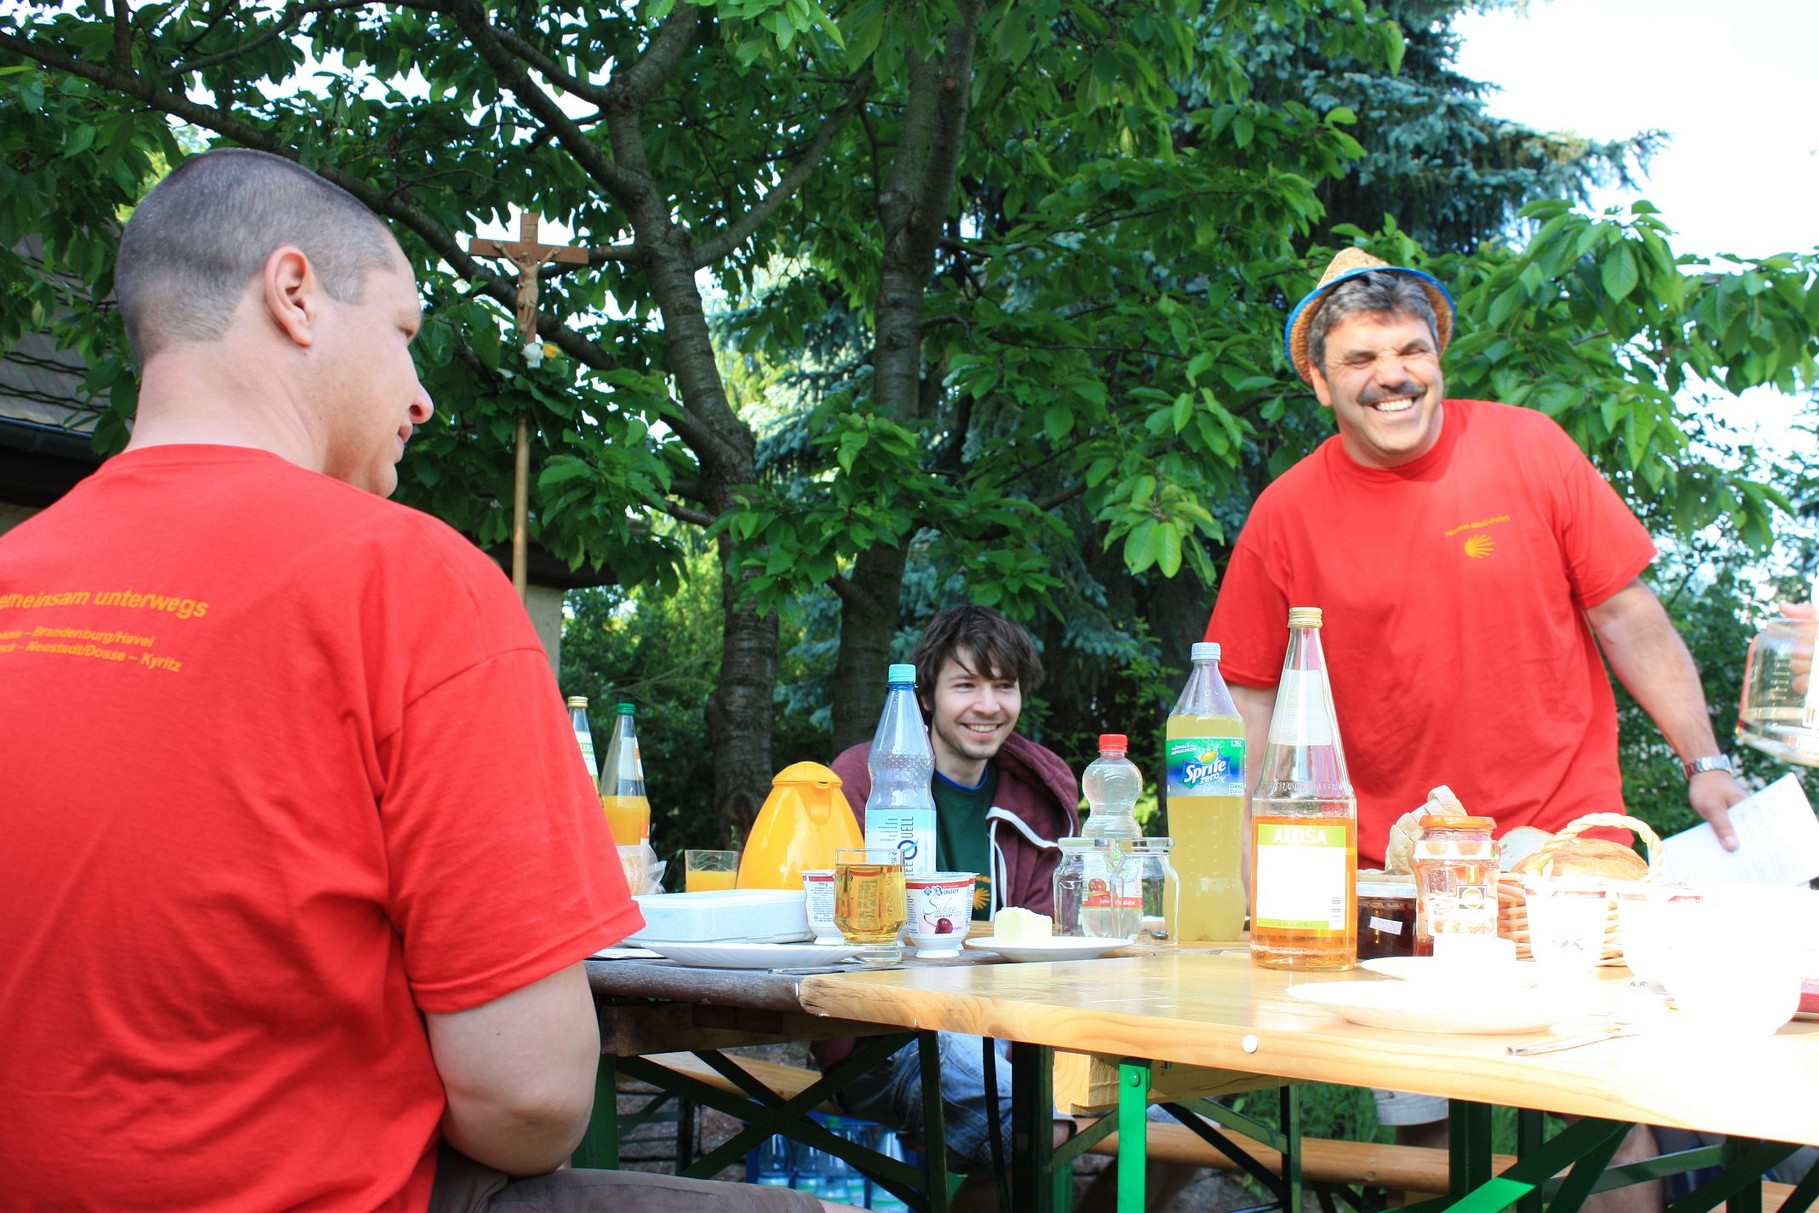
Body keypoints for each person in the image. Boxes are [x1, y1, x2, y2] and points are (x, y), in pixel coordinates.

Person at [0, 149, 836, 1213]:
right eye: (402, 335)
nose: (423, 397)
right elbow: (527, 1100)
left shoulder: (14, 574)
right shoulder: (409, 579)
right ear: (294, 294)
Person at [1207, 247, 1750, 1205]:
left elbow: (1627, 614)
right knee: (1423, 1135)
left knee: (1600, 1106)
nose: (1392, 376)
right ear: (1319, 377)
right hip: (1387, 874)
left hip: (1563, 850)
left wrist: (1702, 758)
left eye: (1410, 349)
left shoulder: (1529, 446)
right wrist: (1242, 853)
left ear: (1438, 356)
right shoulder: (1284, 514)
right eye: (1363, 357)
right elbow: (1247, 697)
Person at [822, 605, 1194, 1213]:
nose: (987, 706)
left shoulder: (1040, 805)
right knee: (1032, 1128)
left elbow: (1061, 949)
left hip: (1024, 1035)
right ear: (926, 697)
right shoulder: (865, 781)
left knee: (1186, 1126)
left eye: (1004, 686)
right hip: (889, 1038)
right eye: (966, 685)